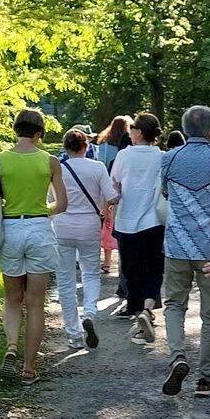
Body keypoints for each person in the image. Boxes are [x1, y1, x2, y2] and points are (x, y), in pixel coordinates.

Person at [159, 105, 210, 396]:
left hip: (177, 244)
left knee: (175, 305)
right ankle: (205, 377)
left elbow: (166, 193)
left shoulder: (170, 157)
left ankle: (178, 355)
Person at [0, 108, 69, 384]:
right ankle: (29, 369)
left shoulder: (0, 159)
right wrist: (41, 209)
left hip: (10, 229)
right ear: (40, 132)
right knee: (36, 303)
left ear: (15, 129)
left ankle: (11, 346)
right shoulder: (50, 161)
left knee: (12, 298)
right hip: (38, 229)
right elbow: (62, 204)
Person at [53, 126, 117, 355]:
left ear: (65, 147)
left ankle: (74, 335)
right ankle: (89, 313)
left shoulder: (58, 169)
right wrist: (105, 205)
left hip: (62, 227)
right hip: (89, 226)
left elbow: (51, 201)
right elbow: (111, 197)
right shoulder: (98, 167)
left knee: (65, 281)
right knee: (90, 274)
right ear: (86, 146)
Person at [111, 113, 168, 337]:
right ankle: (147, 307)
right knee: (155, 267)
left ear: (139, 132)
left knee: (132, 270)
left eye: (133, 128)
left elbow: (114, 183)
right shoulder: (162, 157)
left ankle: (138, 316)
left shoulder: (124, 156)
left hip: (127, 221)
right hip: (153, 220)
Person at [96, 115, 131, 281]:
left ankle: (107, 262)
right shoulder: (127, 148)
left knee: (107, 227)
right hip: (125, 190)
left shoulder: (103, 147)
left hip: (107, 190)